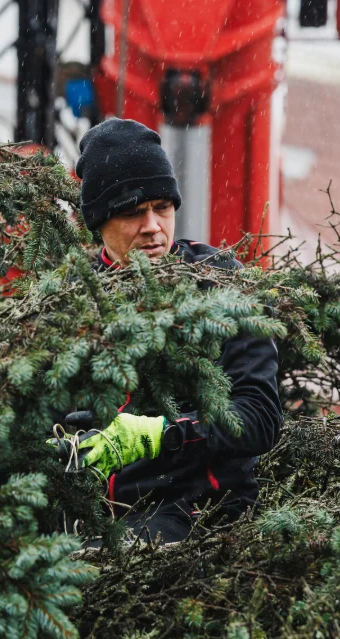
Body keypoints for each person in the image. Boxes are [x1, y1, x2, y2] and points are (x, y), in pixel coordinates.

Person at [62, 118, 282, 544]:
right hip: (93, 520)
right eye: (131, 212)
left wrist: (160, 434)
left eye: (162, 208)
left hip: (203, 518)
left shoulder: (223, 287)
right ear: (98, 222)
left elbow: (259, 417)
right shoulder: (68, 301)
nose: (152, 226)